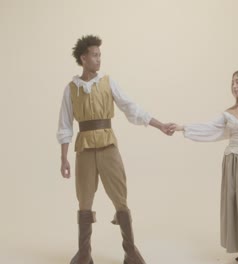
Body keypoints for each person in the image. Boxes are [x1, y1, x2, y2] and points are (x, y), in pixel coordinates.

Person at [57, 35, 174, 264]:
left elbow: (132, 108)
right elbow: (64, 125)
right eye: (95, 55)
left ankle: (130, 252)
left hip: (108, 146)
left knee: (120, 197)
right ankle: (84, 254)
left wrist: (159, 125)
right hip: (84, 149)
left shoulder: (108, 82)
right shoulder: (71, 89)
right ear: (84, 58)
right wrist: (63, 158)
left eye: (100, 55)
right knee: (84, 200)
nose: (99, 59)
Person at [171, 70, 238, 264]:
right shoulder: (229, 113)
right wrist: (182, 128)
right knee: (234, 206)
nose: (234, 86)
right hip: (231, 163)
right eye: (232, 82)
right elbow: (210, 128)